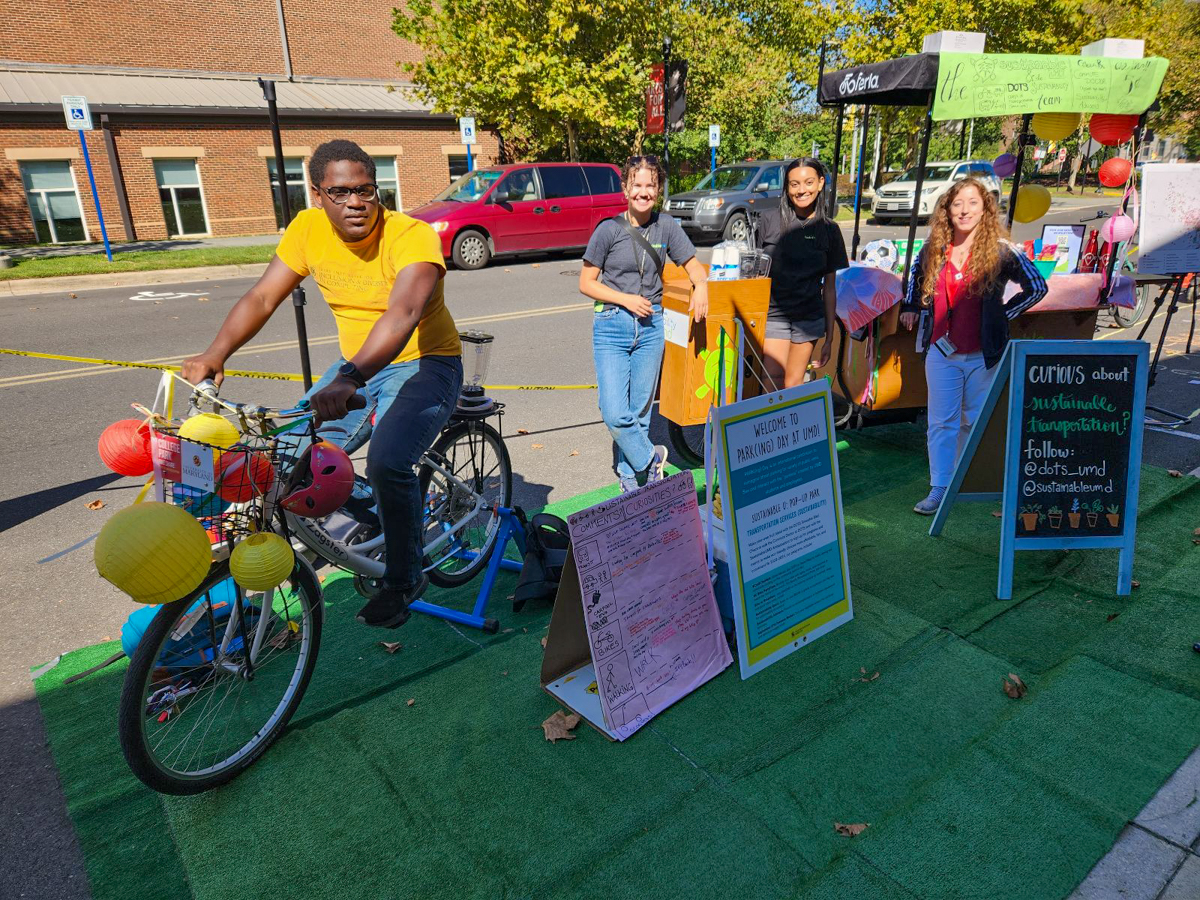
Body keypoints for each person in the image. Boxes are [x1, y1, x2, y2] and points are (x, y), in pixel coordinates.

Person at [182, 139, 464, 628]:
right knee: (287, 455)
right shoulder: (308, 230)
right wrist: (216, 352)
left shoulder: (411, 236)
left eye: (365, 191)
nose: (355, 202)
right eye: (340, 192)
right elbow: (264, 296)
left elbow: (403, 315)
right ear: (317, 194)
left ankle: (404, 575)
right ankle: (388, 514)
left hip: (427, 362)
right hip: (354, 366)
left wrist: (350, 377)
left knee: (387, 460)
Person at [899, 177, 1048, 515]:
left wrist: (1001, 315)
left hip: (984, 353)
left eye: (972, 203)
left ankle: (964, 480)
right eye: (957, 204)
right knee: (941, 420)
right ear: (947, 210)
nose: (964, 210)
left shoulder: (1000, 249)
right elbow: (914, 276)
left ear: (985, 209)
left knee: (975, 418)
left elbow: (1037, 286)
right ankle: (940, 487)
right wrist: (910, 305)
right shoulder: (935, 247)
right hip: (941, 349)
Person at [579, 155, 708, 492]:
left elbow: (694, 266)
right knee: (613, 412)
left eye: (651, 185)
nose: (644, 191)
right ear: (625, 189)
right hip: (612, 324)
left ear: (659, 190)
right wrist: (624, 299)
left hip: (652, 329)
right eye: (637, 184)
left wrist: (702, 288)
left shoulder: (666, 227)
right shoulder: (608, 230)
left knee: (639, 413)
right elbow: (586, 282)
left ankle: (629, 477)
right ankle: (652, 459)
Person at [757, 158, 848, 389]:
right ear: (786, 188)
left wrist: (829, 338)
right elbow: (755, 274)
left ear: (820, 183)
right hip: (773, 315)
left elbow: (829, 289)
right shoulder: (769, 220)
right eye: (794, 184)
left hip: (808, 319)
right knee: (771, 384)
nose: (801, 190)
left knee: (793, 383)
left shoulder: (830, 230)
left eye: (808, 182)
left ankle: (789, 425)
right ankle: (773, 426)